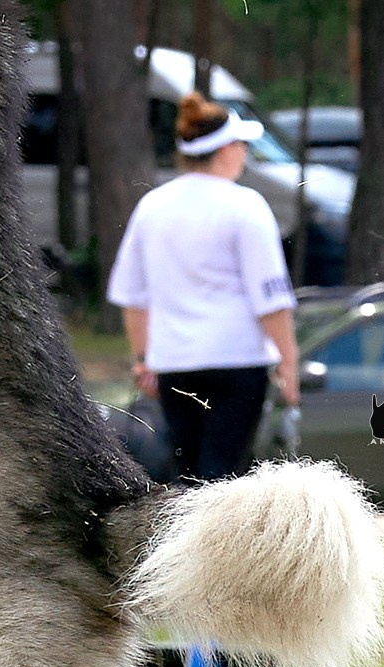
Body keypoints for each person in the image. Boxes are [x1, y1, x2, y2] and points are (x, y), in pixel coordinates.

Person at [107, 91, 301, 484]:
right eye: (242, 144)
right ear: (226, 149)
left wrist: (143, 357)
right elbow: (270, 300)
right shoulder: (245, 206)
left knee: (190, 473)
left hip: (176, 365)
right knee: (224, 474)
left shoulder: (153, 207)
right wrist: (289, 360)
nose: (244, 153)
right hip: (237, 363)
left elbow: (133, 298)